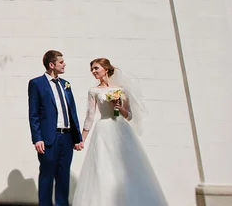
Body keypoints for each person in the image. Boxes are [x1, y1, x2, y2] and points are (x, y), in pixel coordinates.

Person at [72, 57, 168, 206]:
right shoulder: (94, 91)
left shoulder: (121, 90)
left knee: (125, 166)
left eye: (96, 68)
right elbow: (90, 116)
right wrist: (82, 139)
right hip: (103, 129)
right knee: (103, 166)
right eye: (92, 69)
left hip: (121, 129)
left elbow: (129, 116)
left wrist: (118, 106)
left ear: (106, 69)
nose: (93, 71)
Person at [28, 50, 83, 206]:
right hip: (48, 138)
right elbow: (34, 113)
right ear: (51, 65)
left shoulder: (66, 84)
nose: (64, 64)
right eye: (61, 62)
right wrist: (37, 138)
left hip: (66, 138)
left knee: (63, 176)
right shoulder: (37, 84)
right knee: (47, 176)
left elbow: (72, 111)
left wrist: (77, 137)